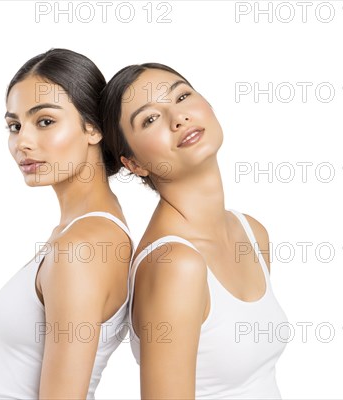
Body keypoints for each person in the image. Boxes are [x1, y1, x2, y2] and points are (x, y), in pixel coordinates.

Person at [100, 63, 289, 399]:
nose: (178, 118)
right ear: (133, 164)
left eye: (182, 96)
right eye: (150, 119)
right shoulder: (174, 264)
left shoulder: (250, 232)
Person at [0, 48, 134, 399]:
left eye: (45, 121)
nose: (22, 141)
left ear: (93, 128)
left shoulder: (83, 247)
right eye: (14, 125)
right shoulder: (80, 232)